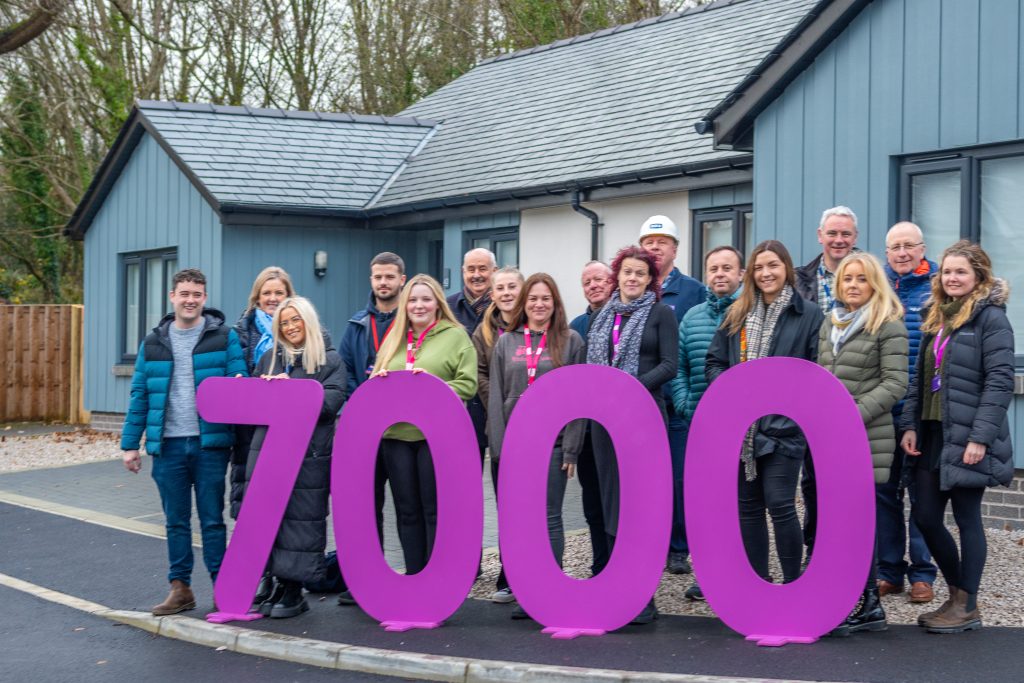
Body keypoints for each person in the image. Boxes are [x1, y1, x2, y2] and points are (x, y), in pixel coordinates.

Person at [900, 241, 1014, 634]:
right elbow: (920, 377)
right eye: (947, 271)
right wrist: (910, 425)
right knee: (927, 517)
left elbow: (1000, 382)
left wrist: (979, 438)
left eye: (961, 272)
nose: (952, 278)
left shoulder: (991, 319)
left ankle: (967, 604)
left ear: (978, 276)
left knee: (967, 519)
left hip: (968, 435)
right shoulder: (937, 316)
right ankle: (956, 593)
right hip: (932, 433)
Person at [120, 268, 247, 616]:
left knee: (212, 519)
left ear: (204, 299)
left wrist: (238, 382)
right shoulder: (154, 342)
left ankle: (224, 587)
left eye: (197, 294)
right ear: (172, 297)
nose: (190, 300)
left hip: (210, 444)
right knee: (175, 520)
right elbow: (140, 395)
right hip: (169, 446)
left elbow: (240, 380)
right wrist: (130, 444)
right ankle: (181, 588)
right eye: (184, 294)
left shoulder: (224, 337)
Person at [706, 241, 823, 587]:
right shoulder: (737, 313)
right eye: (758, 268)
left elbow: (816, 370)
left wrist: (791, 408)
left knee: (781, 504)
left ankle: (792, 582)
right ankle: (757, 583)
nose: (766, 273)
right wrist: (731, 391)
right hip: (743, 431)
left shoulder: (809, 314)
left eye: (772, 265)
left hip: (784, 429)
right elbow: (714, 361)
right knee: (748, 508)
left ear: (786, 268)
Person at [586, 245, 678, 624]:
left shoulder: (660, 314)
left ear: (650, 280)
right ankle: (616, 587)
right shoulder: (601, 318)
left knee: (639, 504)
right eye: (627, 273)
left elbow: (670, 365)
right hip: (605, 420)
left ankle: (643, 596)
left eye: (640, 274)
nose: (633, 279)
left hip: (643, 417)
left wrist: (632, 388)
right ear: (617, 277)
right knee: (611, 501)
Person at [817, 253, 908, 635]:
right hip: (830, 439)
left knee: (858, 523)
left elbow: (895, 383)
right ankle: (846, 597)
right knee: (837, 522)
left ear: (875, 284)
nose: (853, 285)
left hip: (867, 436)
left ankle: (868, 603)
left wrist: (849, 414)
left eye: (862, 279)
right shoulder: (830, 324)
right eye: (847, 279)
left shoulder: (888, 325)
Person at [488, 273, 586, 617]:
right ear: (523, 303)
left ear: (555, 302)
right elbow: (497, 396)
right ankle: (524, 587)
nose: (539, 304)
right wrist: (499, 449)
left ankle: (551, 590)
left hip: (554, 444)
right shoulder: (506, 342)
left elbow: (578, 399)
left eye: (546, 298)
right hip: (515, 444)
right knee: (520, 519)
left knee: (549, 517)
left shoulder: (570, 340)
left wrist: (572, 448)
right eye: (533, 299)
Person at [247, 296, 346, 618]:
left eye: (295, 320)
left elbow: (331, 402)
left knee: (301, 522)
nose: (290, 327)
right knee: (270, 519)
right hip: (269, 453)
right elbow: (254, 405)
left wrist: (293, 389)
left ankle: (294, 588)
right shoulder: (268, 359)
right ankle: (274, 580)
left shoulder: (329, 360)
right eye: (284, 323)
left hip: (307, 454)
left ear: (308, 321)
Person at [374, 274, 478, 575]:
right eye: (413, 300)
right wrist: (380, 381)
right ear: (405, 305)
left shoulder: (456, 336)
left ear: (437, 304)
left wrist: (435, 387)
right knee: (406, 511)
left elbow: (468, 384)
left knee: (434, 510)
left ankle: (437, 579)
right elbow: (374, 380)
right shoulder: (395, 336)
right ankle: (414, 576)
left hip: (435, 437)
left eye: (426, 299)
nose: (419, 306)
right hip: (396, 436)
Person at [670, 245, 744, 601]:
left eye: (727, 268)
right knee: (706, 503)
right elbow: (679, 368)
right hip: (701, 423)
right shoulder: (692, 317)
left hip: (745, 428)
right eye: (713, 268)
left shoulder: (751, 313)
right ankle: (709, 575)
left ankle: (742, 572)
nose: (719, 274)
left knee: (741, 502)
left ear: (741, 274)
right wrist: (685, 404)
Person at [637, 215, 705, 575]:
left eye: (662, 243)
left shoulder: (693, 290)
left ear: (675, 249)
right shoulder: (635, 290)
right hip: (641, 404)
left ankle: (678, 547)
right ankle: (650, 542)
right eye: (649, 242)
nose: (655, 248)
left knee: (679, 477)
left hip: (676, 402)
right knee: (647, 477)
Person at [337, 252, 406, 605]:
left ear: (401, 280)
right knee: (367, 507)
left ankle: (413, 575)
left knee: (409, 506)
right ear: (371, 279)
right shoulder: (357, 324)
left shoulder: (411, 322)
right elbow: (346, 370)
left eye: (390, 277)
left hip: (404, 430)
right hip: (366, 430)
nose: (383, 283)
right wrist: (362, 403)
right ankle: (365, 579)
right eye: (378, 277)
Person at [794, 205, 860, 563]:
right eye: (832, 233)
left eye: (845, 234)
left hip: (856, 395)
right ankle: (815, 551)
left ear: (855, 239)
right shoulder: (798, 279)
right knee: (813, 479)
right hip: (811, 398)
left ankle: (854, 555)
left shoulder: (869, 276)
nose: (838, 240)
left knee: (854, 483)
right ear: (820, 236)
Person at [879, 223, 938, 603]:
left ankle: (922, 573)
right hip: (885, 410)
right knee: (884, 493)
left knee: (921, 494)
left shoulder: (936, 288)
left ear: (922, 249)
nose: (902, 253)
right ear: (886, 254)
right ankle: (889, 570)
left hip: (921, 412)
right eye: (894, 247)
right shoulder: (879, 289)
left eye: (908, 246)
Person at [470, 266, 524, 604]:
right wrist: (501, 403)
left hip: (537, 427)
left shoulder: (534, 324)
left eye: (512, 287)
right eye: (500, 288)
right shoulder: (483, 332)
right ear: (492, 294)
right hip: (501, 428)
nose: (506, 293)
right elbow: (479, 373)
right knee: (507, 503)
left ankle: (535, 569)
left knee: (533, 505)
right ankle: (508, 574)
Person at [230, 267, 295, 521]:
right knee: (251, 504)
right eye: (266, 293)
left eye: (279, 292)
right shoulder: (241, 333)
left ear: (288, 295)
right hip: (250, 430)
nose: (273, 298)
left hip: (289, 427)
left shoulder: (303, 329)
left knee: (287, 506)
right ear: (257, 297)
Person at [568, 261, 614, 576]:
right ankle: (600, 564)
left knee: (616, 501)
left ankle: (618, 563)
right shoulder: (575, 327)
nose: (593, 285)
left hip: (614, 428)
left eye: (599, 279)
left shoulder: (623, 319)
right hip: (585, 430)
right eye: (587, 281)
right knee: (592, 502)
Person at [447, 248, 497, 467]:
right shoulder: (447, 308)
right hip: (461, 409)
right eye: (471, 269)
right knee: (465, 482)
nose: (476, 274)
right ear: (462, 272)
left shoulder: (507, 307)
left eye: (483, 269)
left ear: (494, 271)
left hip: (496, 405)